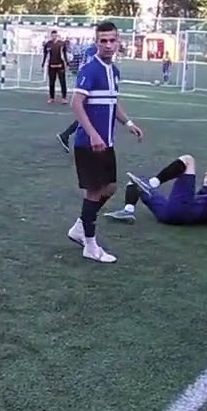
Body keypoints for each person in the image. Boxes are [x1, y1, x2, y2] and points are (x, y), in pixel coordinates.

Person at [64, 21, 143, 264]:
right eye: (103, 41)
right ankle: (90, 245)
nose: (108, 45)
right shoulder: (90, 69)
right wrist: (93, 134)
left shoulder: (114, 71)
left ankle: (80, 227)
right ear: (96, 43)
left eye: (112, 40)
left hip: (107, 143)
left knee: (110, 188)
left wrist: (128, 123)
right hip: (89, 144)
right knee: (94, 191)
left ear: (118, 42)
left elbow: (113, 102)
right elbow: (76, 103)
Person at [104, 154, 207, 226]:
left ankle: (154, 182)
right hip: (170, 214)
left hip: (182, 209)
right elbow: (202, 204)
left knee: (188, 160)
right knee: (137, 181)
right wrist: (206, 186)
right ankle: (128, 211)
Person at [56, 41, 99, 151]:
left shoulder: (90, 50)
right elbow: (90, 67)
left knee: (90, 115)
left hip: (86, 81)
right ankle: (68, 136)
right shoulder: (93, 51)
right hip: (88, 84)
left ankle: (66, 135)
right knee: (89, 115)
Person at [42, 29, 68, 104]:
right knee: (51, 82)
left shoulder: (61, 44)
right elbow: (45, 54)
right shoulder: (48, 44)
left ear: (57, 35)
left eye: (55, 35)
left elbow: (64, 54)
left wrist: (67, 62)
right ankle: (51, 97)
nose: (54, 37)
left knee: (62, 82)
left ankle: (64, 98)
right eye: (52, 35)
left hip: (60, 65)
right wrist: (43, 63)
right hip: (51, 66)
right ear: (51, 36)